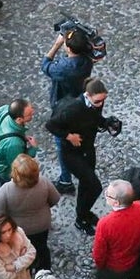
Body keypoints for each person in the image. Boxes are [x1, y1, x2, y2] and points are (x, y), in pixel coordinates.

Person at [46, 78, 112, 234]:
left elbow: (94, 118)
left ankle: (83, 214)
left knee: (86, 184)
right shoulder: (72, 108)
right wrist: (68, 136)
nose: (100, 104)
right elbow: (50, 125)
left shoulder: (94, 104)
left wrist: (106, 123)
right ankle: (81, 217)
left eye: (103, 100)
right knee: (94, 186)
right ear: (87, 95)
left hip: (87, 149)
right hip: (72, 153)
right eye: (97, 101)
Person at [0, 155, 60, 272]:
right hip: (41, 225)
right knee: (42, 247)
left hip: (18, 229)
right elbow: (55, 199)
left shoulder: (6, 189)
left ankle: (26, 269)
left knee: (21, 250)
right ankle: (44, 271)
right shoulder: (44, 182)